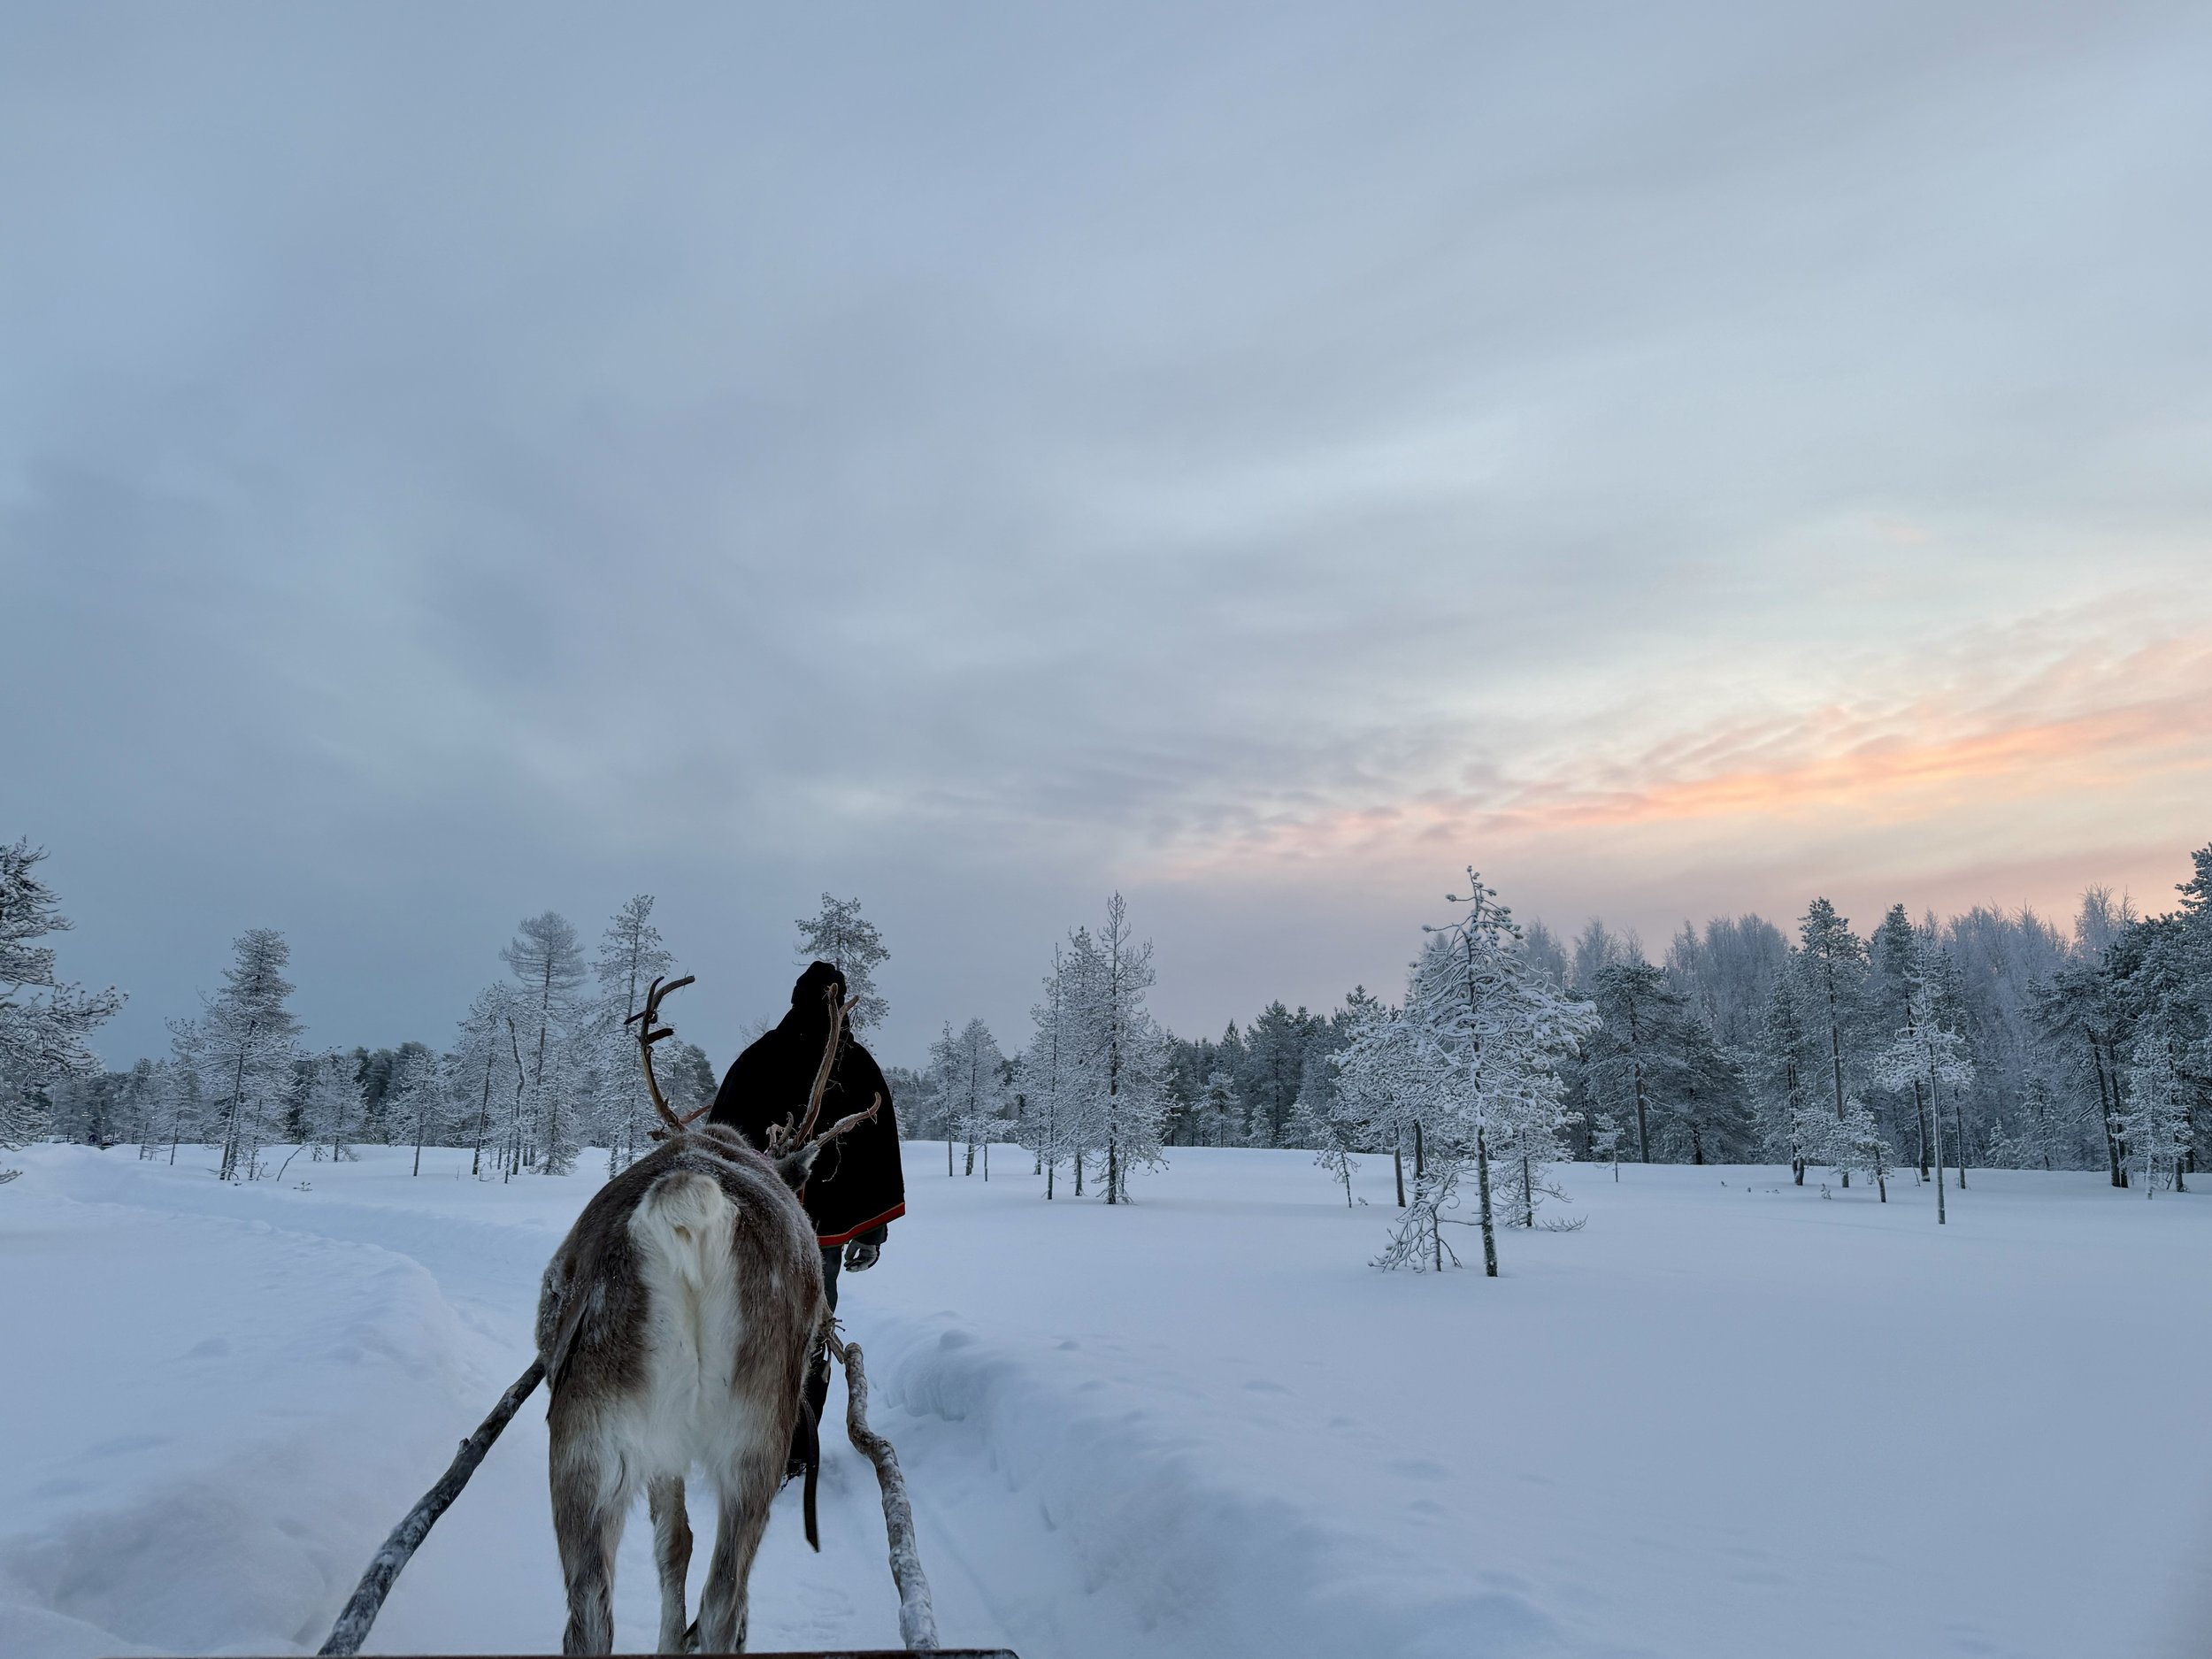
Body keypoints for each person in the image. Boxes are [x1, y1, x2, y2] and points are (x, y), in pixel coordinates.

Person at [709, 961, 905, 1449]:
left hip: (753, 1225)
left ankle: (756, 1439)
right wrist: (870, 1232)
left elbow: (720, 1139)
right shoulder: (855, 1064)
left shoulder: (757, 1059)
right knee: (812, 1320)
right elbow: (878, 1151)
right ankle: (795, 1441)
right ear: (839, 1003)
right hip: (820, 1231)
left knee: (752, 1317)